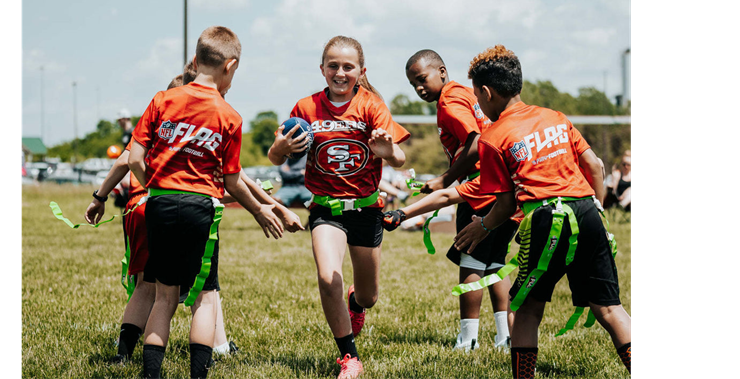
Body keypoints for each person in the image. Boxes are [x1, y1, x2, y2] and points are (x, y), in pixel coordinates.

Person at [452, 45, 631, 378]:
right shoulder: (555, 117)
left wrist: (482, 227)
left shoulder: (493, 138)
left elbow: (505, 205)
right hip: (586, 210)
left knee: (523, 310)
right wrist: (597, 206)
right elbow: (595, 164)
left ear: (487, 93)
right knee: (610, 307)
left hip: (547, 218)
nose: (478, 103)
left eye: (477, 96)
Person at [128, 26, 285, 379]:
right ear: (230, 66)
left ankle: (151, 375)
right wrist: (260, 210)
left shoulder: (162, 100)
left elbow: (135, 159)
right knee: (207, 295)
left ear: (196, 60)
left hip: (160, 204)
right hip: (202, 208)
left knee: (164, 297)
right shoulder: (229, 116)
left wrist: (158, 187)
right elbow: (232, 181)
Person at [267, 35, 410, 379]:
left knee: (370, 296)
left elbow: (401, 160)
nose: (340, 72)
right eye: (333, 65)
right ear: (322, 69)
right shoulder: (305, 108)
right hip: (325, 210)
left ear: (361, 71)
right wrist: (280, 146)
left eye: (348, 66)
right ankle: (349, 357)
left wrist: (387, 151)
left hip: (366, 209)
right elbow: (274, 156)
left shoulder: (372, 104)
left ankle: (356, 302)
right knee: (327, 276)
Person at [387, 49, 520, 352]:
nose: (419, 88)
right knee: (496, 263)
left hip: (480, 188)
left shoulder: (448, 101)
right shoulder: (464, 92)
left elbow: (475, 141)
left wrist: (447, 178)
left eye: (422, 79)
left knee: (470, 258)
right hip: (503, 187)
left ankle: (468, 339)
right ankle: (505, 335)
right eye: (413, 84)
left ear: (442, 72)